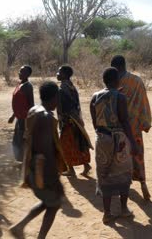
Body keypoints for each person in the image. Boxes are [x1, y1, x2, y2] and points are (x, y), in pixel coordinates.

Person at [10, 81, 66, 239]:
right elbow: (44, 150)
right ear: (54, 97)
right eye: (58, 98)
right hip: (43, 170)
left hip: (32, 167)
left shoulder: (34, 110)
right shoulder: (46, 117)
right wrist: (52, 176)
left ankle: (19, 226)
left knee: (49, 202)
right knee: (54, 204)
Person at [89, 67, 138, 224]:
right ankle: (123, 209)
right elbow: (124, 121)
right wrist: (133, 142)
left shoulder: (95, 96)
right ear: (117, 81)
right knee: (123, 174)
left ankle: (107, 213)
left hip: (102, 139)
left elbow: (95, 123)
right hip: (120, 141)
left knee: (104, 175)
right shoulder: (121, 97)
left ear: (104, 80)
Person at [111, 55, 152, 200]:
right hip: (134, 127)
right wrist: (145, 122)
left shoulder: (113, 83)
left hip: (118, 127)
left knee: (120, 157)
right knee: (138, 156)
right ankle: (143, 184)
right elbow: (143, 103)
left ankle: (123, 189)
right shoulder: (137, 81)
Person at [56, 66, 93, 178]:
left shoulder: (62, 88)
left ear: (65, 75)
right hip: (76, 119)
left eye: (59, 72)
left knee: (65, 144)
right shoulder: (71, 86)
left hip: (68, 121)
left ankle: (70, 169)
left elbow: (64, 107)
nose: (57, 74)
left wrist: (63, 119)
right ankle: (86, 165)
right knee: (78, 142)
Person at [8, 65, 34, 162]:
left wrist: (30, 120)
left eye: (22, 72)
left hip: (25, 118)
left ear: (28, 74)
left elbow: (31, 104)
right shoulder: (20, 84)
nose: (19, 73)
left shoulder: (28, 86)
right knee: (17, 140)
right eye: (19, 71)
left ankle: (27, 162)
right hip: (19, 118)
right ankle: (24, 161)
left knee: (22, 140)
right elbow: (19, 103)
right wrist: (13, 115)